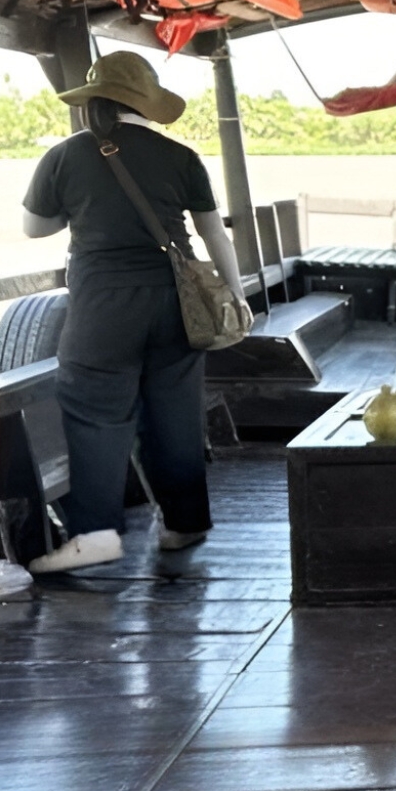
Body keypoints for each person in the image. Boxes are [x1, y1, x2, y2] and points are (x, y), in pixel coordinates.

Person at [21, 51, 246, 573]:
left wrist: (82, 208)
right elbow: (215, 234)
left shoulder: (66, 155)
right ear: (147, 105)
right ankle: (184, 523)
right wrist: (234, 296)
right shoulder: (181, 156)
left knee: (94, 409)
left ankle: (96, 533)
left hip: (102, 305)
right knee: (175, 412)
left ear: (93, 102)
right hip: (176, 301)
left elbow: (35, 228)